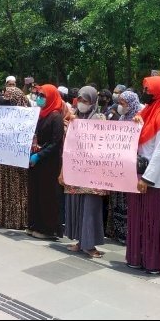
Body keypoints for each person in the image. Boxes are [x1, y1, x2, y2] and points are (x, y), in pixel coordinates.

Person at [127, 76, 160, 274]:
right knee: (137, 219)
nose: (144, 93)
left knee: (152, 222)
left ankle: (152, 261)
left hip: (154, 180)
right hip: (138, 173)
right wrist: (136, 125)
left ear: (157, 92)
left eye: (148, 89)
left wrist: (147, 178)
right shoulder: (146, 113)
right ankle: (136, 257)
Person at [61, 86, 108, 259]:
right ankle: (81, 241)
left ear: (93, 102)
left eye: (85, 101)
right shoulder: (74, 117)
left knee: (90, 208)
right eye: (79, 100)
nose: (81, 103)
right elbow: (67, 145)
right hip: (76, 169)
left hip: (93, 173)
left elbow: (105, 143)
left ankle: (90, 244)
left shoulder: (100, 118)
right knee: (77, 206)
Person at [27, 84, 65, 239]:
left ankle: (48, 229)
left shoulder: (56, 116)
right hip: (37, 162)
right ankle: (35, 224)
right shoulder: (41, 114)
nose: (39, 98)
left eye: (43, 96)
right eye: (38, 95)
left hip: (49, 163)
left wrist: (39, 155)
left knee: (47, 195)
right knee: (35, 193)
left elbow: (55, 143)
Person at [0, 87, 31, 230]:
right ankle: (2, 218)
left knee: (17, 190)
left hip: (17, 162)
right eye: (5, 95)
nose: (6, 98)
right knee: (3, 188)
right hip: (3, 161)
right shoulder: (2, 116)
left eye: (10, 96)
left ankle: (17, 219)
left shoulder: (27, 117)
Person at [107, 91, 142, 243]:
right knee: (118, 200)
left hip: (132, 168)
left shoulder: (139, 119)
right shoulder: (122, 117)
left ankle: (130, 234)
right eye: (120, 103)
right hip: (119, 165)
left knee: (129, 202)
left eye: (123, 104)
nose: (121, 107)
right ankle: (119, 233)